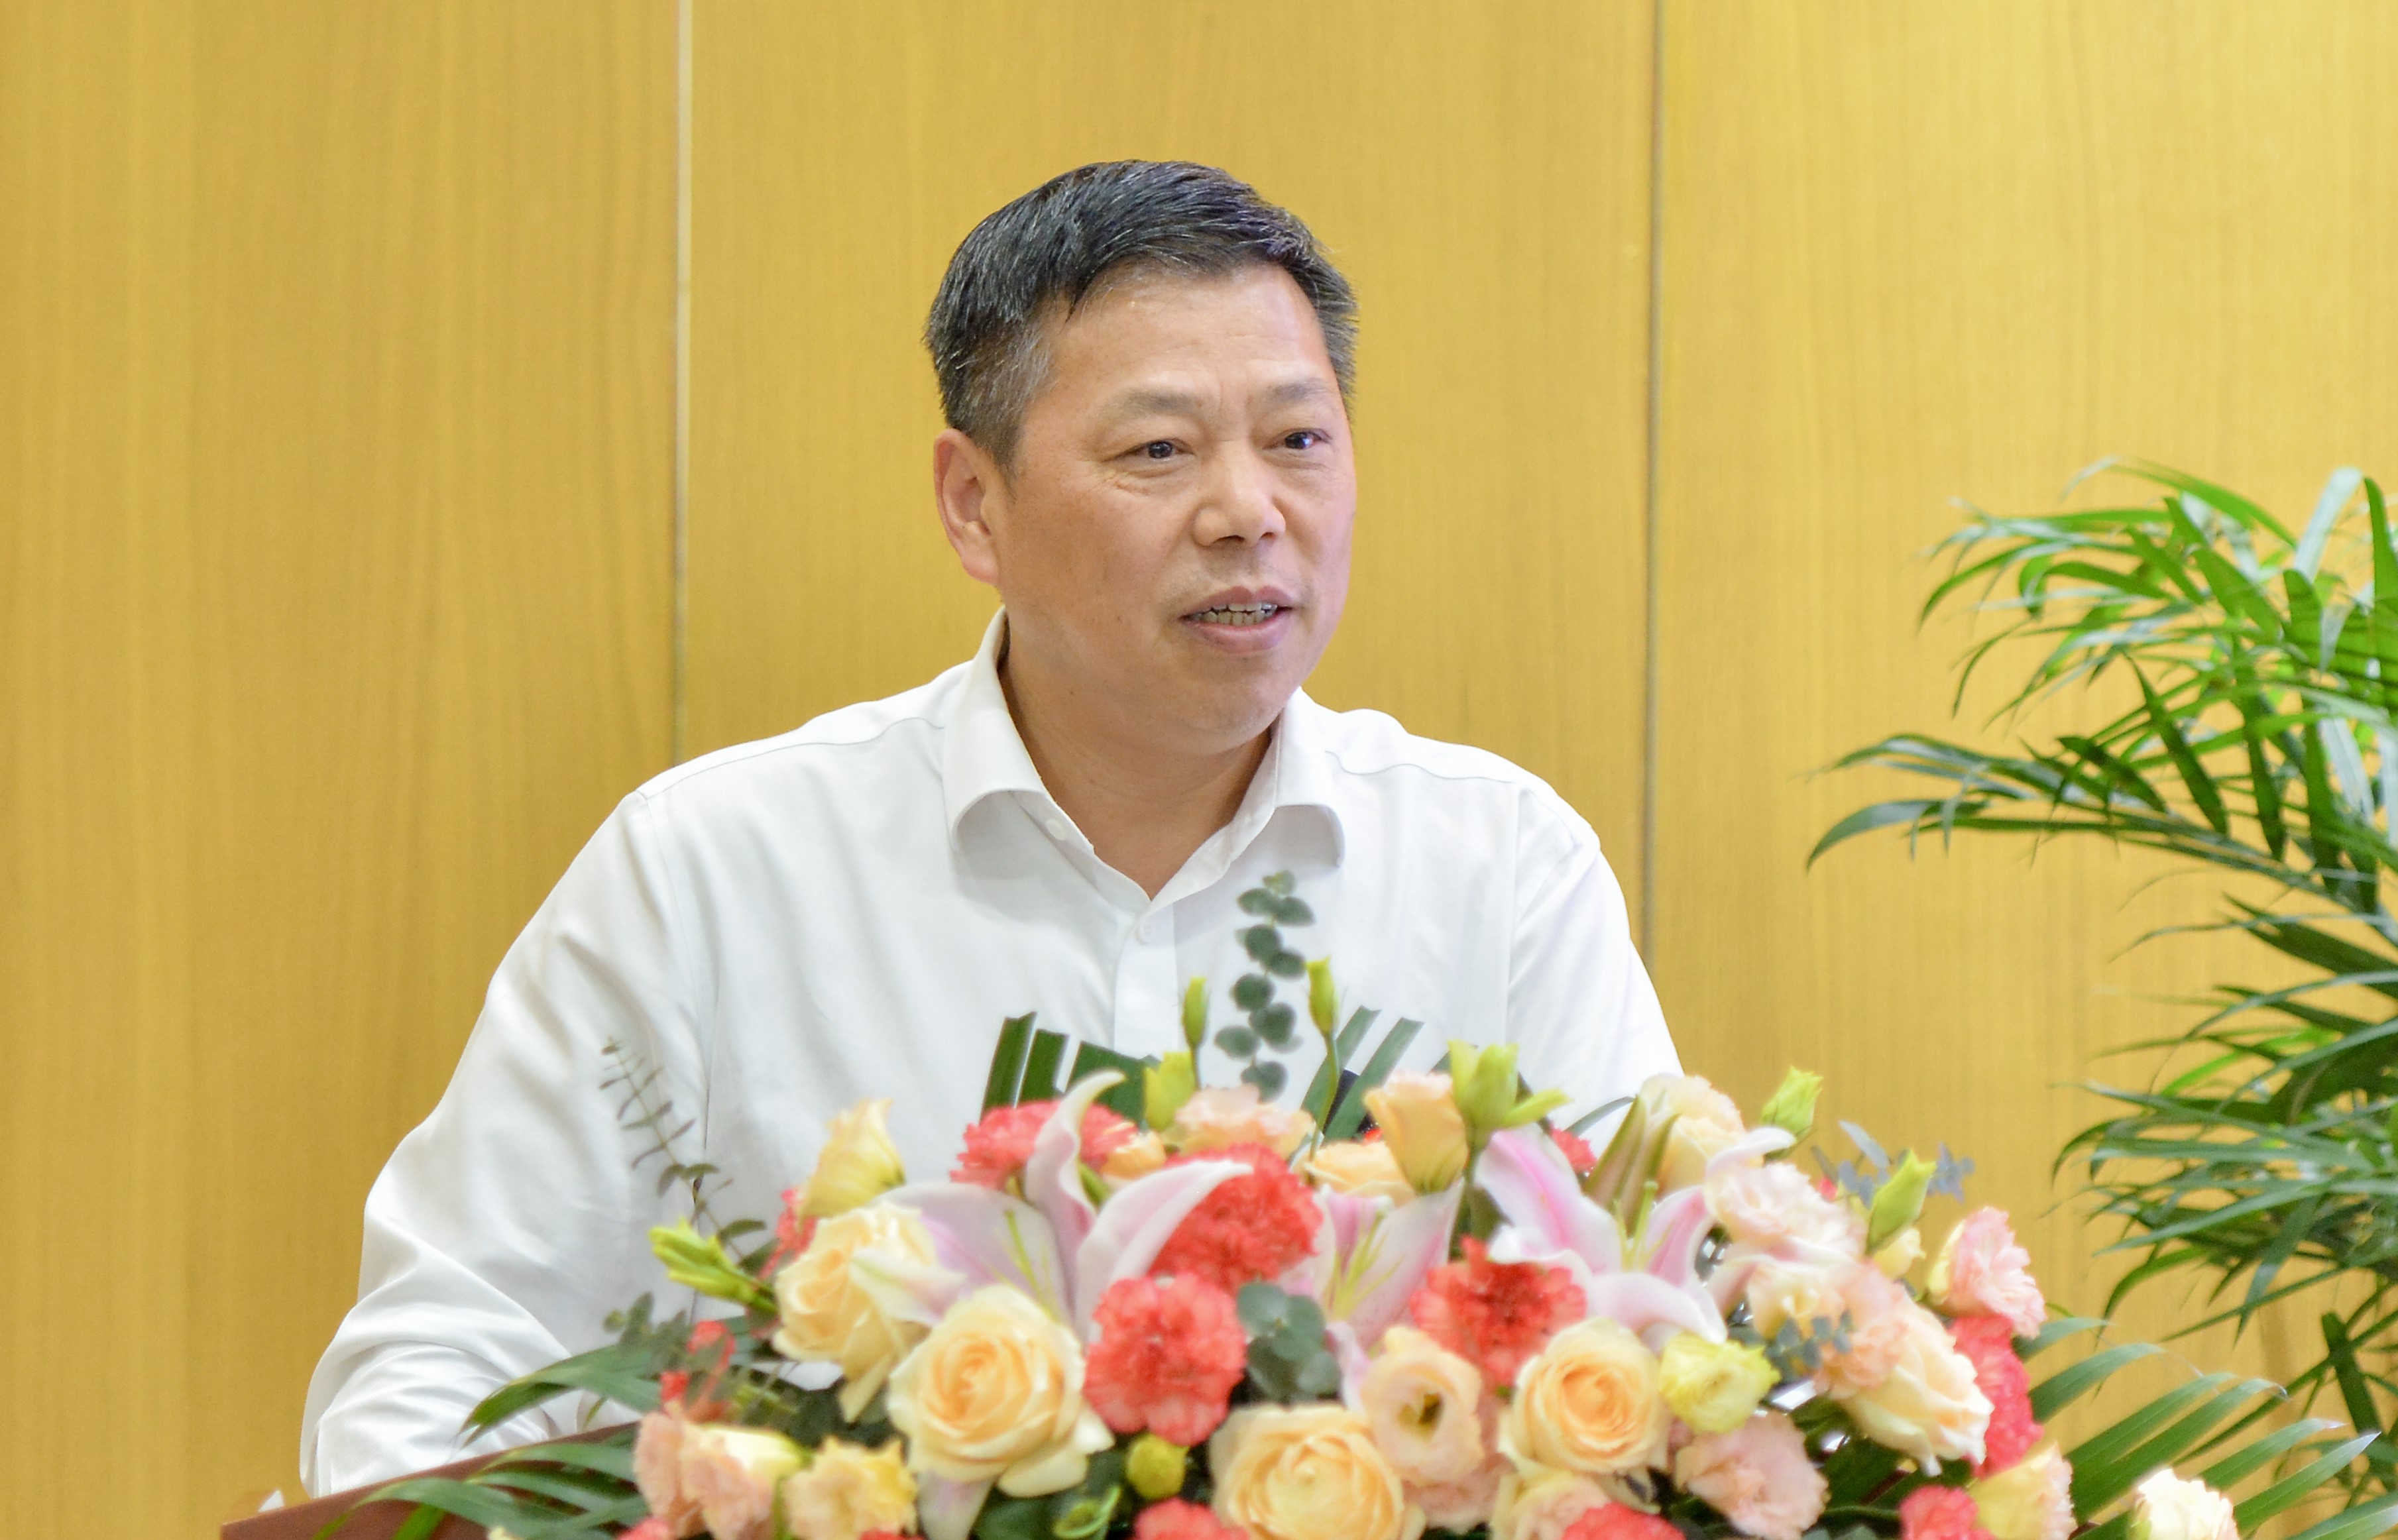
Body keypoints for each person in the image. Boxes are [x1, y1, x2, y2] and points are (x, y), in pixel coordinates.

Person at [300, 160, 1676, 1494]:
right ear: (976, 505)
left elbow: (1660, 1333)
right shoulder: (713, 870)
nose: (1249, 513)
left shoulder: (1503, 868)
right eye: (1159, 450)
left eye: (1298, 440)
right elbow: (449, 1351)